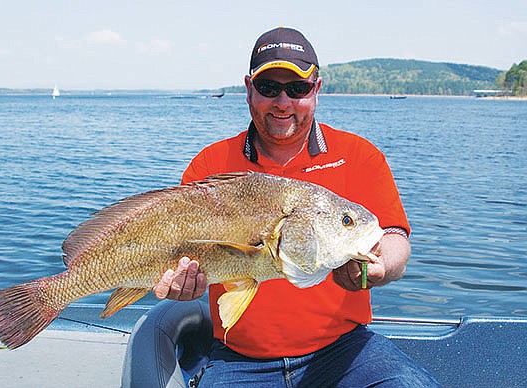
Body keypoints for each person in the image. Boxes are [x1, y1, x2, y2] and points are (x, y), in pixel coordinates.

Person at [153, 27, 441, 387]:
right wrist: (183, 283)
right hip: (236, 359)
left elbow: (394, 237)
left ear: (316, 90)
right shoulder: (209, 165)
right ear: (248, 90)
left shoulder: (360, 157)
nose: (283, 102)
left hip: (344, 351)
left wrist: (383, 265)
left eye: (298, 89)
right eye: (269, 88)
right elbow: (179, 252)